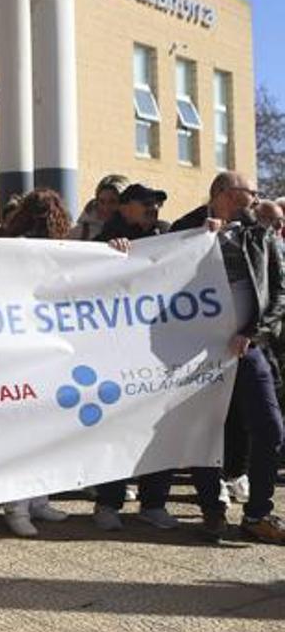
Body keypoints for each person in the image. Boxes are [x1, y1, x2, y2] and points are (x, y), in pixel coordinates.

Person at [170, 171, 285, 543]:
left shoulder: (260, 233)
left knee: (270, 428)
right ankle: (212, 509)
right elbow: (154, 278)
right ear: (223, 194)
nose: (254, 199)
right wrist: (203, 242)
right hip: (198, 351)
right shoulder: (185, 229)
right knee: (205, 429)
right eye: (247, 193)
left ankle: (257, 514)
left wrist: (255, 333)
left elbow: (280, 294)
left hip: (248, 348)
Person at [92, 183, 180, 531]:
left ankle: (154, 502)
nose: (154, 208)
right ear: (125, 207)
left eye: (157, 203)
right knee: (119, 428)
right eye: (146, 203)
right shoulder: (107, 238)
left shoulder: (168, 235)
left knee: (160, 427)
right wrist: (110, 254)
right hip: (118, 351)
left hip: (158, 351)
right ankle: (108, 502)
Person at [0, 190, 75, 536]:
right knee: (22, 429)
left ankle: (39, 499)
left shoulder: (62, 250)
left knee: (46, 427)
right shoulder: (5, 245)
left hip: (48, 345)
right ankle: (16, 506)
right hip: (16, 346)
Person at [69, 174, 129, 240]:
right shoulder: (79, 232)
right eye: (101, 202)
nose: (106, 208)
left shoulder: (136, 230)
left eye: (113, 202)